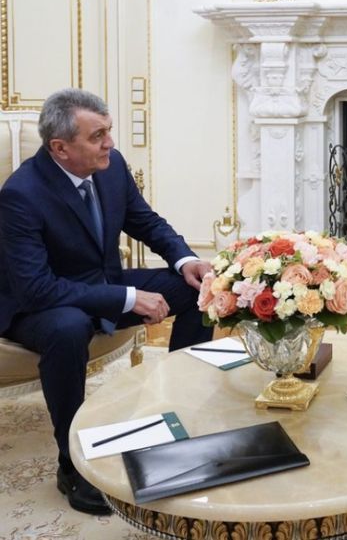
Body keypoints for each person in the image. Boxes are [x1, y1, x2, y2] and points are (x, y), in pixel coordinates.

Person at [0, 88, 213, 516]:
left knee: (197, 289)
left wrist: (185, 259)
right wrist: (127, 298)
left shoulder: (110, 166)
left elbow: (146, 222)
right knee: (68, 327)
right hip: (35, 305)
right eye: (97, 136)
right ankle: (72, 463)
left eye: (109, 131)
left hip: (99, 284)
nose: (110, 144)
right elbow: (36, 288)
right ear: (60, 147)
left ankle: (182, 412)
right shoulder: (21, 194)